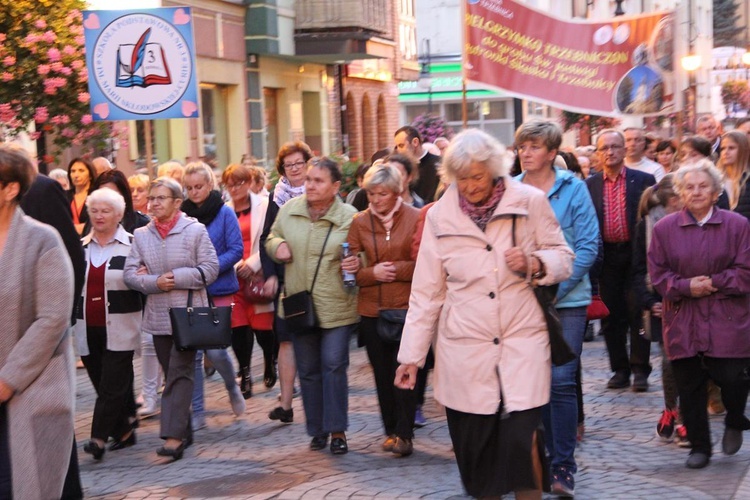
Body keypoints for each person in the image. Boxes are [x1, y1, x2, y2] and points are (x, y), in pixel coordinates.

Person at [395, 129, 574, 499]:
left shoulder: (530, 202)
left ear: (493, 171)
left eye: (477, 176)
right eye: (462, 178)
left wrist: (535, 262)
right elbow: (427, 293)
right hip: (465, 348)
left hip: (522, 342)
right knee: (479, 462)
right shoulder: (439, 217)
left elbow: (564, 257)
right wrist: (411, 357)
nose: (470, 186)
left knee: (522, 445)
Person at [514, 120, 599, 497]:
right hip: (524, 300)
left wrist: (557, 284)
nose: (526, 153)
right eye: (521, 147)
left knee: (562, 380)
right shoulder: (510, 190)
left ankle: (564, 465)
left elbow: (588, 245)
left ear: (551, 153)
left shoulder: (574, 188)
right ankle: (544, 456)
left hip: (568, 300)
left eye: (534, 147)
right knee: (536, 382)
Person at [648, 161, 750, 469]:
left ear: (717, 191)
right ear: (679, 193)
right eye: (689, 187)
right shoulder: (665, 228)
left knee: (733, 377)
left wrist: (714, 283)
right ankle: (700, 447)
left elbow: (746, 272)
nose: (696, 192)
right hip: (683, 317)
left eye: (703, 186)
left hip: (728, 316)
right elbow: (658, 274)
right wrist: (684, 286)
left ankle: (735, 418)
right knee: (689, 383)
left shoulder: (737, 225)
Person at [265, 156, 359, 455]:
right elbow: (271, 236)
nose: (311, 185)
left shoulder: (350, 217)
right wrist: (276, 246)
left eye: (318, 181)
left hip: (337, 304)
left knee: (334, 365)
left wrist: (359, 262)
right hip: (299, 303)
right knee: (307, 369)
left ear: (335, 186)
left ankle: (338, 431)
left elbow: (364, 253)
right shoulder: (290, 210)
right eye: (308, 180)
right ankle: (317, 430)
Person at [123, 177, 219, 460]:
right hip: (158, 316)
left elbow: (210, 269)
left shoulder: (195, 231)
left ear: (177, 202)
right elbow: (130, 275)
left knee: (178, 373)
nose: (153, 203)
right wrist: (154, 282)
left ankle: (173, 437)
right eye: (151, 198)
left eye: (160, 198)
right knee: (174, 372)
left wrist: (176, 278)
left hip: (188, 314)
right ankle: (184, 429)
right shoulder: (141, 235)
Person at [0, 144, 75, 499]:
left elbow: (52, 318)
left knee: (23, 485)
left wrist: (7, 379)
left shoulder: (41, 240)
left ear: (10, 189)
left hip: (27, 390)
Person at [347, 164, 420, 456]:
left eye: (382, 193)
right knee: (381, 374)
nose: (376, 199)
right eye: (371, 193)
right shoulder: (359, 222)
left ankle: (405, 433)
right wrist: (371, 273)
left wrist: (396, 270)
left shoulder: (416, 218)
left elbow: (425, 264)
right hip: (372, 310)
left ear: (397, 192)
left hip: (406, 308)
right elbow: (349, 272)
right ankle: (390, 430)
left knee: (404, 371)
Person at [586, 129, 656, 391]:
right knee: (610, 315)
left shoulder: (644, 180)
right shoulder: (589, 185)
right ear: (598, 153)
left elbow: (652, 219)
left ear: (624, 150)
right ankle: (620, 369)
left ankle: (640, 370)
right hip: (606, 258)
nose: (610, 152)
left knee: (638, 312)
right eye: (605, 148)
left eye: (616, 146)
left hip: (636, 256)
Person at [75, 189, 142, 460]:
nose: (99, 216)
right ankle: (125, 430)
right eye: (94, 210)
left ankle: (98, 439)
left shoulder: (134, 244)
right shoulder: (80, 247)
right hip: (86, 326)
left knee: (111, 385)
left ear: (118, 215)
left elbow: (145, 278)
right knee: (102, 382)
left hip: (123, 324)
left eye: (105, 211)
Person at [181, 163, 246, 429]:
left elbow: (236, 250)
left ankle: (232, 386)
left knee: (216, 352)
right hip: (189, 291)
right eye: (190, 188)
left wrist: (208, 269)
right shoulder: (182, 215)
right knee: (193, 354)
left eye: (199, 186)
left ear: (210, 185)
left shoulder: (225, 213)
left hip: (218, 287)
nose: (195, 192)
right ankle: (197, 411)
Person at [631, 174, 689, 445]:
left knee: (693, 363)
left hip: (692, 300)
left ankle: (686, 415)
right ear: (674, 200)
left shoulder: (693, 221)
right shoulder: (646, 226)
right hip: (660, 304)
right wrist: (649, 301)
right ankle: (674, 412)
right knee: (670, 360)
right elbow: (639, 269)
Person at [262, 141, 312, 423]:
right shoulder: (276, 197)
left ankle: (316, 400)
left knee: (311, 340)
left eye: (299, 163)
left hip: (315, 279)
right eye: (288, 165)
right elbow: (265, 238)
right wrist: (269, 273)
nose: (294, 169)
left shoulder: (320, 191)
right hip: (285, 279)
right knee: (285, 341)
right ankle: (286, 404)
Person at [223, 164, 275, 400]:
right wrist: (236, 266)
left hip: (257, 274)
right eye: (230, 184)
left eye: (239, 183)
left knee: (263, 329)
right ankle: (244, 372)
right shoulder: (224, 211)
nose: (235, 188)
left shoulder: (264, 206)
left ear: (249, 183)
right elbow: (220, 244)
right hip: (232, 278)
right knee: (238, 328)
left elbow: (270, 239)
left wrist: (253, 264)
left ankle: (269, 360)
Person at [394, 126, 441, 203]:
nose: (398, 151)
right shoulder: (401, 168)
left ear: (415, 142)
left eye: (401, 145)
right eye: (397, 147)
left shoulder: (439, 163)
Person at [717, 130, 750, 216]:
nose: (726, 152)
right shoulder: (715, 181)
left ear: (743, 150)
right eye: (722, 148)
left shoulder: (747, 181)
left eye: (731, 148)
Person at [67, 157, 97, 234]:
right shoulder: (64, 195)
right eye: (73, 171)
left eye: (81, 171)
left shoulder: (97, 196)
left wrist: (85, 227)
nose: (76, 175)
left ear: (90, 175)